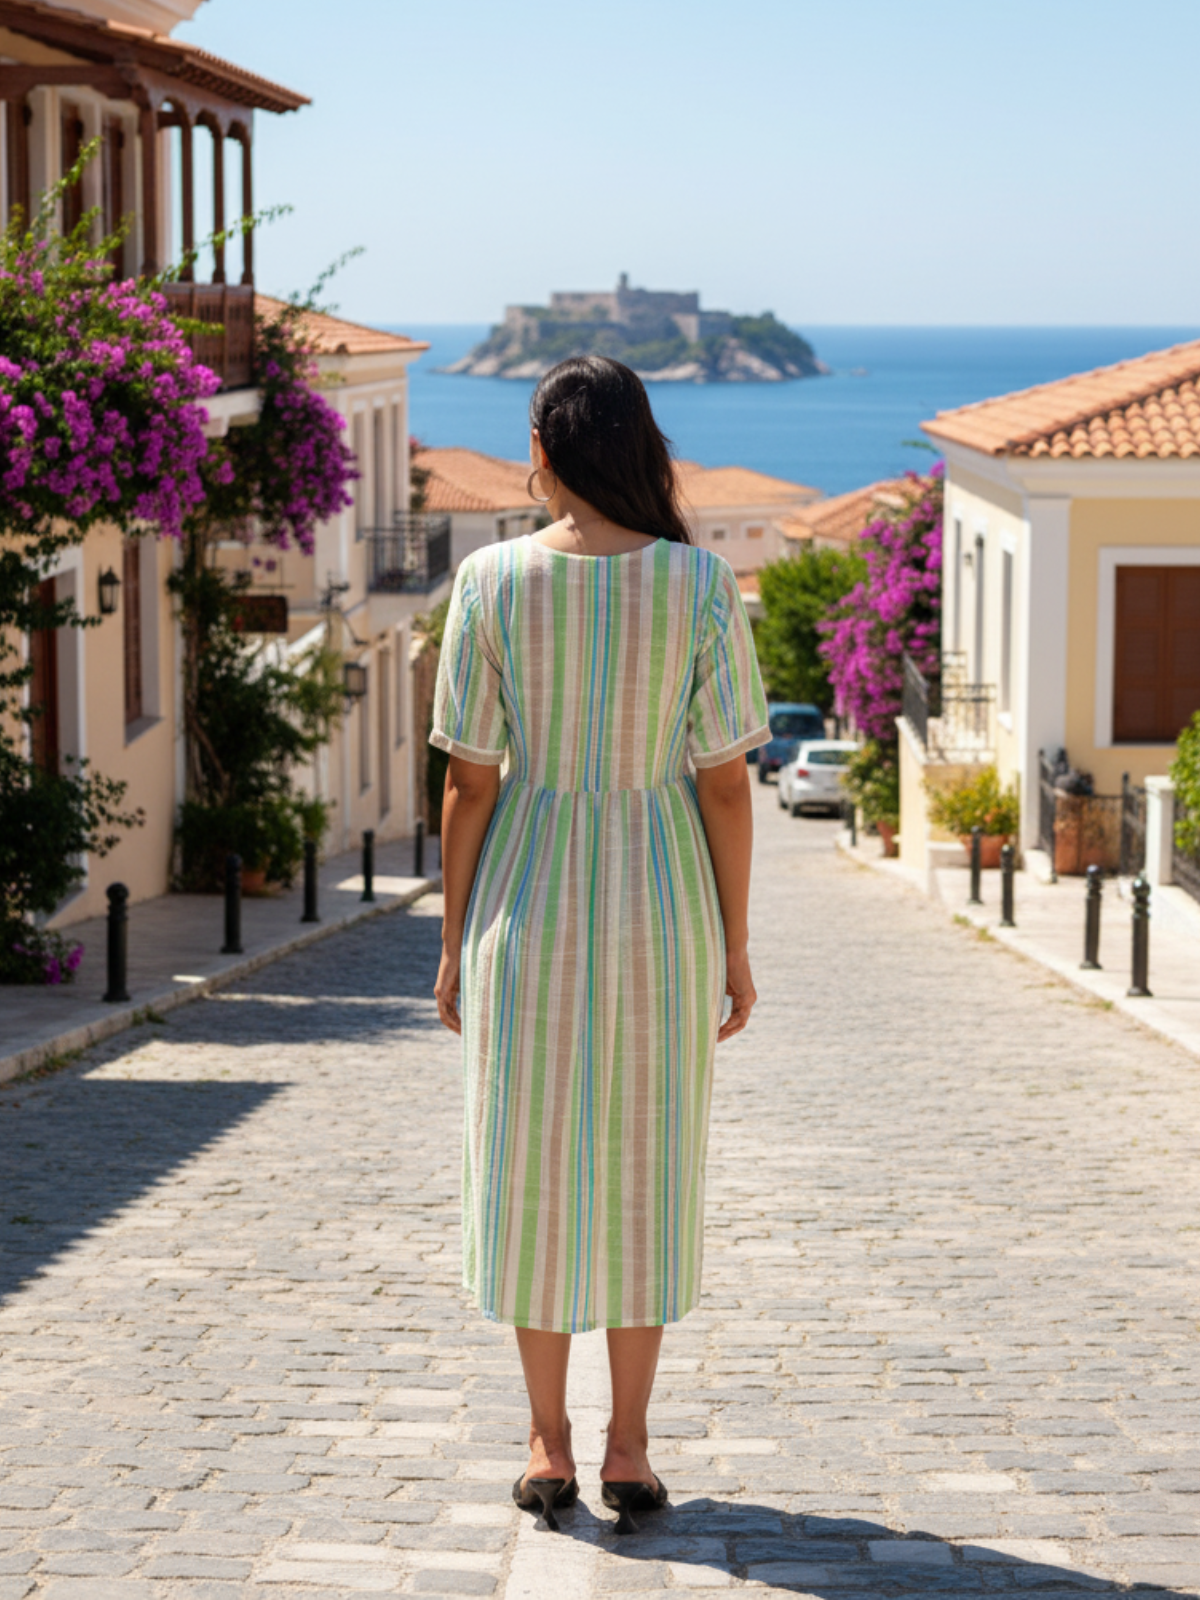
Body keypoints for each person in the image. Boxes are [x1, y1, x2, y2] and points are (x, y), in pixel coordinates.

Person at [430, 356, 768, 1535]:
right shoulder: (702, 585)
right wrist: (733, 942)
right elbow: (724, 785)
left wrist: (453, 935)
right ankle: (628, 1445)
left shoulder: (489, 582)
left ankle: (546, 1440)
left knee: (525, 1165)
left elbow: (471, 783)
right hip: (663, 903)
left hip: (524, 896)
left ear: (545, 446)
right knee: (646, 1161)